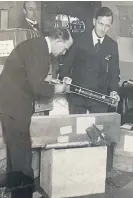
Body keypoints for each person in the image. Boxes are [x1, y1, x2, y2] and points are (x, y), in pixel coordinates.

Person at [0, 27, 73, 198]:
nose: (63, 53)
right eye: (64, 49)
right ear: (58, 41)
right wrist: (58, 88)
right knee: (22, 157)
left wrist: (50, 82)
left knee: (15, 155)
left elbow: (29, 78)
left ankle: (15, 193)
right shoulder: (40, 50)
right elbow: (35, 86)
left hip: (9, 106)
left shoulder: (37, 45)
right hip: (15, 108)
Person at [60, 7, 120, 114]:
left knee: (98, 129)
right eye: (101, 24)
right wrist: (65, 77)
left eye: (107, 26)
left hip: (100, 99)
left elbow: (114, 73)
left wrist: (114, 91)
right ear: (94, 21)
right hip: (77, 98)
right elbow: (67, 65)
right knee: (77, 129)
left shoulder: (112, 45)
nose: (103, 29)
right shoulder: (78, 40)